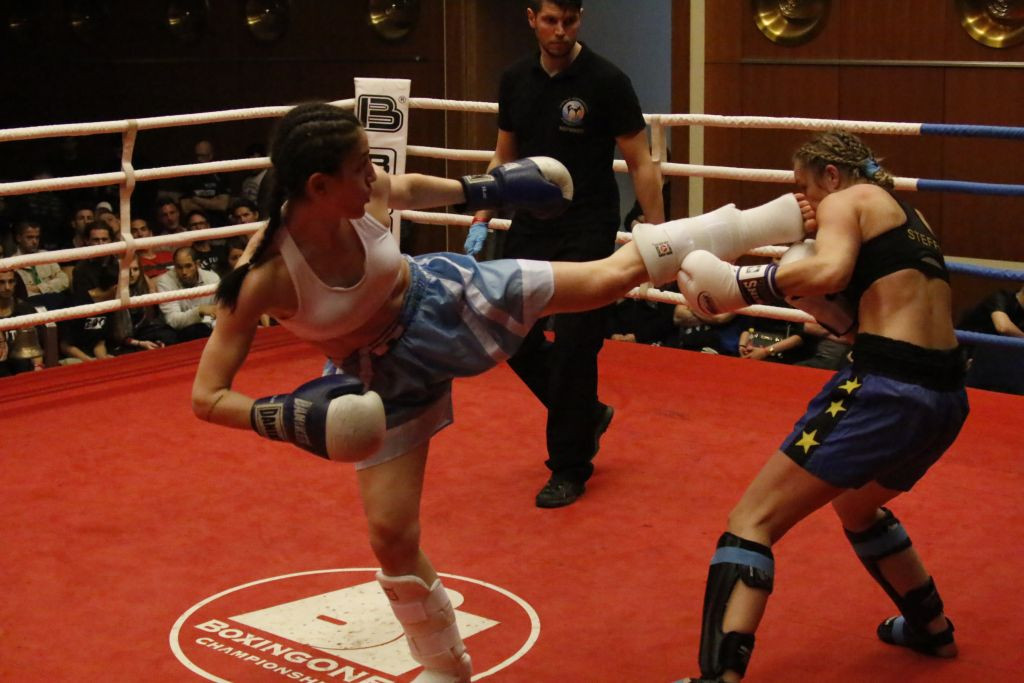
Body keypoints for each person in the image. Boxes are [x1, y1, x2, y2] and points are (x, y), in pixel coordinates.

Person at [189, 102, 808, 682]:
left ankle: (770, 225)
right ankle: (444, 664)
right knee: (392, 539)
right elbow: (208, 396)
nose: (374, 175)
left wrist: (481, 190)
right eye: (360, 167)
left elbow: (406, 188)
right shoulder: (264, 277)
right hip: (381, 380)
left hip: (445, 299)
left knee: (602, 281)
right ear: (319, 187)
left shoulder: (365, 194)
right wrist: (281, 416)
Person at [672, 130, 968, 682]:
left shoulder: (846, 200)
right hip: (946, 396)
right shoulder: (910, 217)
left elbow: (828, 271)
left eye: (804, 187)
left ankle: (718, 678)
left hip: (887, 387)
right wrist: (824, 309)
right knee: (857, 507)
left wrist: (740, 283)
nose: (804, 203)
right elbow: (864, 321)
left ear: (831, 175)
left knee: (752, 519)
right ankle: (931, 630)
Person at [466, 0, 666, 508]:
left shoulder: (607, 80)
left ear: (580, 19)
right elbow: (504, 153)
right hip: (531, 224)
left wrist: (658, 233)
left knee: (577, 344)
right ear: (531, 18)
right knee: (506, 332)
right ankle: (585, 414)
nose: (560, 31)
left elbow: (640, 160)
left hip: (587, 226)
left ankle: (569, 467)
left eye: (569, 21)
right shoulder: (515, 79)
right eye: (550, 21)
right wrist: (482, 214)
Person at [157, 246, 220, 342]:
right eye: (179, 267)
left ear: (197, 264)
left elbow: (217, 313)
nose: (184, 272)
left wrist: (205, 318)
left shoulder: (212, 279)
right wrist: (199, 311)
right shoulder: (165, 281)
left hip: (207, 329)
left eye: (188, 266)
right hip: (178, 334)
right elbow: (173, 321)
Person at [11, 220, 70, 309]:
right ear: (19, 238)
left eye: (37, 237)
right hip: (31, 307)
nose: (34, 241)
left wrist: (39, 288)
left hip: (55, 302)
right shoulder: (11, 263)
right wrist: (52, 285)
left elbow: (64, 281)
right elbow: (23, 293)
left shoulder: (46, 255)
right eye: (30, 237)